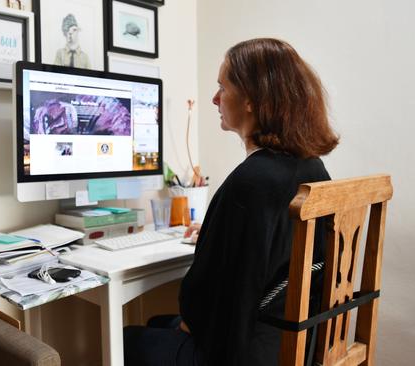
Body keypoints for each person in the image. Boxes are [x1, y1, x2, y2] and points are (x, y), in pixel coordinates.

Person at [123, 38, 340, 365]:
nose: (214, 98)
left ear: (250, 100)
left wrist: (217, 242)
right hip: (296, 343)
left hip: (244, 353)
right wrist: (220, 236)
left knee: (124, 340)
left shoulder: (252, 181)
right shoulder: (311, 166)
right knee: (157, 324)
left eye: (222, 87)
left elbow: (201, 306)